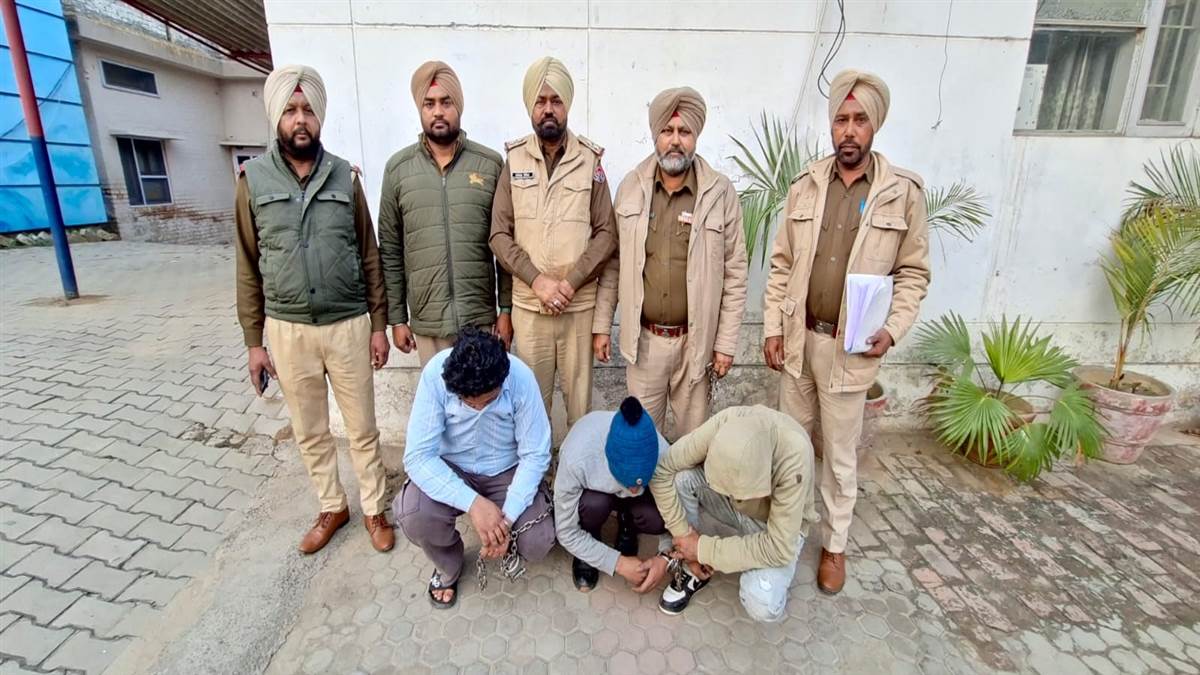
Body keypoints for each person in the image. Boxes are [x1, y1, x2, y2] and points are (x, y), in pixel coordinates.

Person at [763, 69, 931, 595]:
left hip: (850, 350)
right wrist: (772, 329)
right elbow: (781, 264)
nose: (849, 130)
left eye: (859, 120)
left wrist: (893, 329)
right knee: (791, 446)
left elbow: (914, 274)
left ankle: (834, 545)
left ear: (874, 125)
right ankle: (787, 532)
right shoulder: (806, 185)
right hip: (799, 341)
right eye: (841, 120)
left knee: (838, 456)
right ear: (831, 125)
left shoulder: (902, 193)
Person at [235, 64, 393, 555]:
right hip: (288, 329)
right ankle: (332, 506)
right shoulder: (253, 180)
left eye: (307, 110)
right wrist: (254, 343)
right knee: (310, 431)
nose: (300, 119)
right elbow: (247, 265)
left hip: (348, 324)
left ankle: (374, 509)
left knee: (362, 428)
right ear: (276, 117)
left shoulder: (345, 176)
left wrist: (379, 325)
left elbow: (370, 255)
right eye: (290, 110)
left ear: (320, 116)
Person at [593, 87, 748, 438]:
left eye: (684, 131)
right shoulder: (631, 187)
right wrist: (602, 324)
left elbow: (736, 273)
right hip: (645, 345)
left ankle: (685, 479)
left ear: (696, 137)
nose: (675, 140)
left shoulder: (720, 192)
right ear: (655, 135)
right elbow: (614, 264)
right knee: (642, 440)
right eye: (667, 131)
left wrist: (725, 344)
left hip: (696, 346)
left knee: (693, 443)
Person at [489, 56, 617, 427]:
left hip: (578, 309)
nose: (548, 109)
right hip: (530, 309)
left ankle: (578, 466)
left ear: (567, 105)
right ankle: (540, 466)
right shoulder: (514, 160)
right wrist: (538, 281)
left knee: (580, 411)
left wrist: (570, 283)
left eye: (556, 101)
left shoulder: (589, 160)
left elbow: (606, 233)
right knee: (530, 411)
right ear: (530, 106)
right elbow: (499, 234)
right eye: (541, 101)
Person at [394, 327, 555, 608]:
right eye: (469, 403)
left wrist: (505, 521)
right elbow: (418, 456)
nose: (479, 408)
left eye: (489, 401)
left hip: (506, 468)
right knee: (415, 516)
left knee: (538, 541)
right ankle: (448, 566)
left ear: (502, 379)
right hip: (453, 466)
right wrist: (474, 504)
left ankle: (504, 538)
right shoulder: (435, 374)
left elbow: (535, 454)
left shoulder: (520, 377)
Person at [378, 61, 511, 365]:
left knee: (485, 396)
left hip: (480, 321)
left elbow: (504, 243)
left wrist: (505, 310)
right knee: (437, 396)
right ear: (420, 108)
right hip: (429, 325)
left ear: (458, 106)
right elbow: (391, 250)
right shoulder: (398, 170)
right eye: (429, 104)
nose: (438, 111)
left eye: (446, 102)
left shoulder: (489, 164)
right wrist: (397, 318)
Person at [648, 406, 817, 622]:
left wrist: (704, 549)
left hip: (772, 529)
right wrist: (684, 538)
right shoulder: (725, 422)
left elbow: (779, 548)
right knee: (680, 478)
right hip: (733, 507)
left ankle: (774, 579)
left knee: (761, 602)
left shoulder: (795, 455)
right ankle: (691, 567)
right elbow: (662, 471)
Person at [553, 397, 672, 592]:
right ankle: (590, 537)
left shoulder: (664, 454)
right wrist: (618, 563)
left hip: (636, 502)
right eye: (628, 483)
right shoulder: (577, 457)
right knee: (593, 505)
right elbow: (565, 532)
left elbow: (681, 519)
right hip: (597, 497)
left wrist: (666, 557)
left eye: (639, 484)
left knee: (657, 517)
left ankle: (628, 526)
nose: (634, 491)